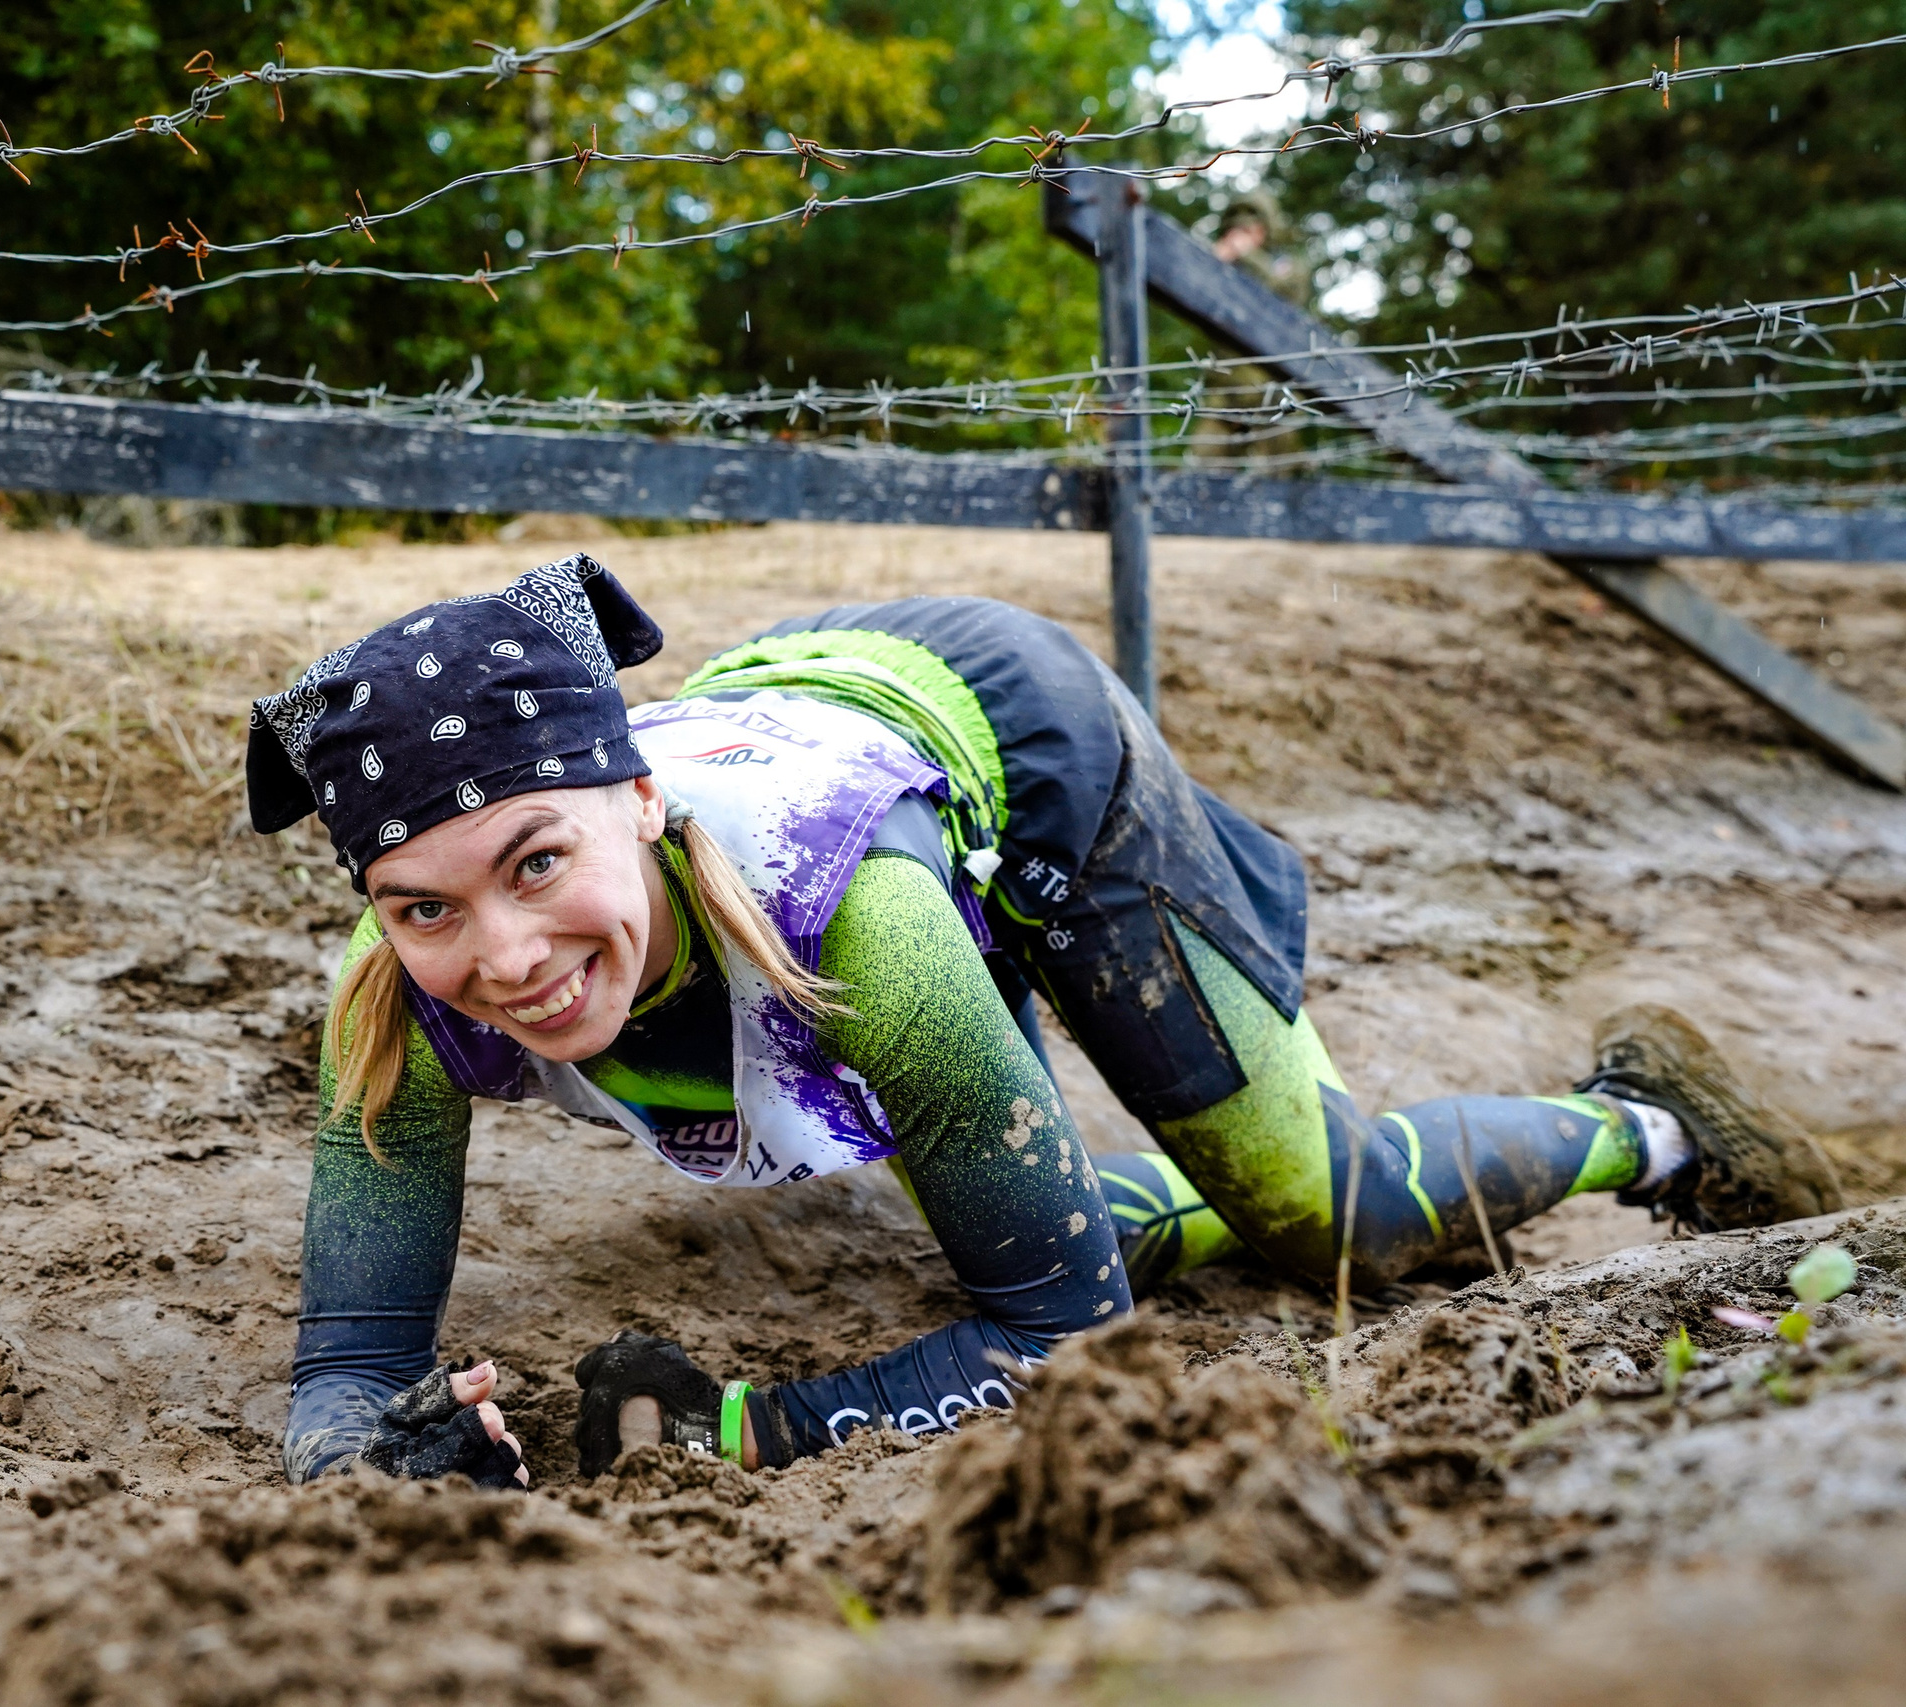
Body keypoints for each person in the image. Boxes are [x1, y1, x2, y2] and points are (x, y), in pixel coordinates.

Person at [247, 555, 1838, 1489]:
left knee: (1323, 1211)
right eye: (425, 905)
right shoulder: (387, 987)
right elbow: (352, 1361)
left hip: (1025, 744)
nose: (504, 957)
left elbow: (1069, 1343)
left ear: (642, 799)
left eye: (540, 864)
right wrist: (366, 1453)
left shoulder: (855, 928)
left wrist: (735, 1429)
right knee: (1006, 1205)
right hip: (832, 728)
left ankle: (1650, 1125)